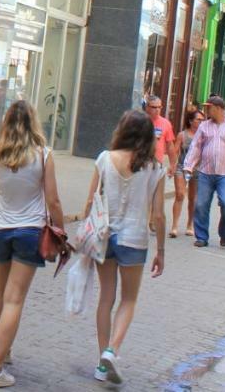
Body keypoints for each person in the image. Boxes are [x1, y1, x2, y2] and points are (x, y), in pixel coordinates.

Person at [0, 100, 65, 388]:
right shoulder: (43, 155)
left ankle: (3, 351)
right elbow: (53, 199)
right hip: (29, 231)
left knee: (1, 293)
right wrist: (62, 231)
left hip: (0, 228)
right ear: (33, 122)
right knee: (15, 298)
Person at [82, 110, 166, 385]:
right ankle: (112, 350)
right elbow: (159, 215)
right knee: (128, 300)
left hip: (105, 235)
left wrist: (85, 234)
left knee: (106, 298)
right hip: (134, 238)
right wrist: (161, 251)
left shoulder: (105, 159)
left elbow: (90, 202)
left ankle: (101, 364)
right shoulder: (155, 168)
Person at [184, 95, 225, 249]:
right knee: (201, 204)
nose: (207, 110)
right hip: (206, 172)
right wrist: (189, 165)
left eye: (209, 107)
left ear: (219, 109)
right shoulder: (204, 126)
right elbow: (196, 147)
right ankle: (202, 237)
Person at [170, 108, 203, 237]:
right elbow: (175, 150)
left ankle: (190, 224)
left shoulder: (204, 135)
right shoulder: (182, 135)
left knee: (193, 198)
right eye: (198, 119)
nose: (201, 122)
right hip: (181, 167)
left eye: (202, 119)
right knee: (179, 194)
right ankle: (174, 226)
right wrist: (172, 165)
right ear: (190, 121)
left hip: (197, 169)